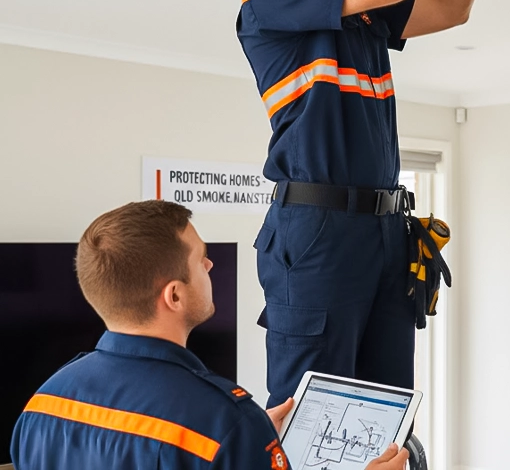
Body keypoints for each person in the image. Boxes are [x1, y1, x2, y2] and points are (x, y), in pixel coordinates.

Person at [220, 0, 506, 406]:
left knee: (384, 416)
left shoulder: (358, 4)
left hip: (384, 228)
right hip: (317, 230)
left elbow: (451, 6)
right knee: (314, 420)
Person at [10, 200, 408, 470]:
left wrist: (249, 438)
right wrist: (242, 437)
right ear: (175, 294)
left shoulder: (41, 406)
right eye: (200, 259)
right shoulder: (225, 421)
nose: (211, 263)